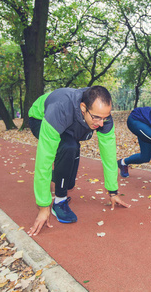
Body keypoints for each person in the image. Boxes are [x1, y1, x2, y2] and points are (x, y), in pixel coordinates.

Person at [27, 86, 130, 236]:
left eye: (105, 117)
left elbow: (109, 155)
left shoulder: (102, 116)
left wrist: (113, 191)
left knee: (69, 182)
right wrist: (43, 206)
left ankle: (60, 177)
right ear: (83, 107)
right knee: (69, 146)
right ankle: (59, 201)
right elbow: (44, 160)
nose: (101, 123)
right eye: (97, 117)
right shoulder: (60, 109)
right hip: (41, 117)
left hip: (72, 121)